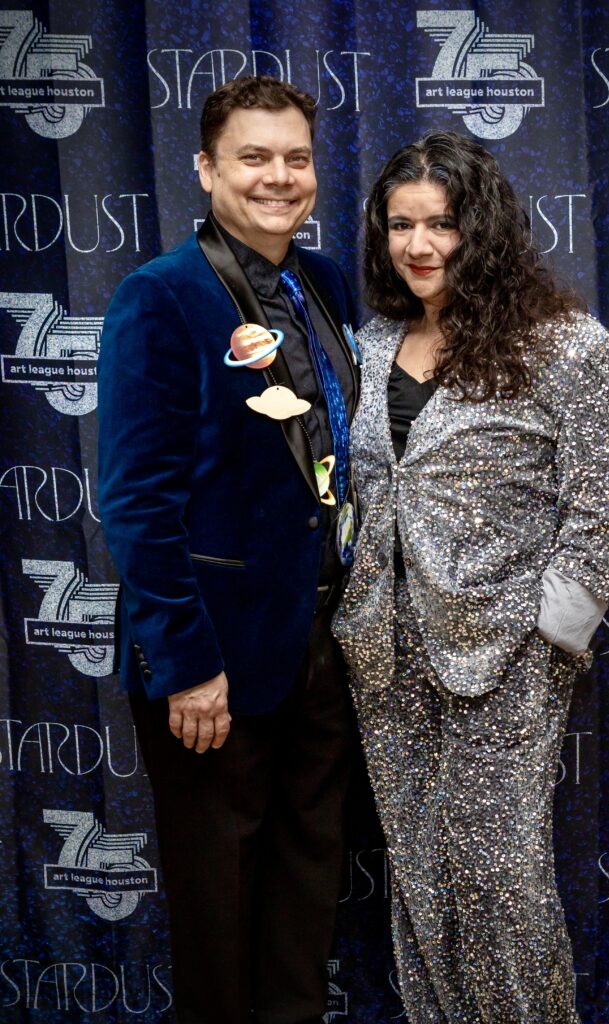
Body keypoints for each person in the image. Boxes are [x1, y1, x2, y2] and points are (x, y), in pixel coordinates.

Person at [332, 131, 609, 1024]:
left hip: (505, 658)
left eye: (441, 224)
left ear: (485, 230)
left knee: (500, 878)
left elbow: (606, 504)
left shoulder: (564, 343)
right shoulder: (376, 337)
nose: (418, 245)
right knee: (421, 874)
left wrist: (546, 641)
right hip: (383, 654)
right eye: (400, 225)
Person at [98, 76, 359, 1024]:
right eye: (253, 157)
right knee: (219, 916)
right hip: (213, 664)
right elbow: (134, 500)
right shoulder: (161, 298)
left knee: (304, 900)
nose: (278, 177)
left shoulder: (324, 282)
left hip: (321, 648)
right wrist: (189, 664)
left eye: (295, 158)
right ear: (207, 168)